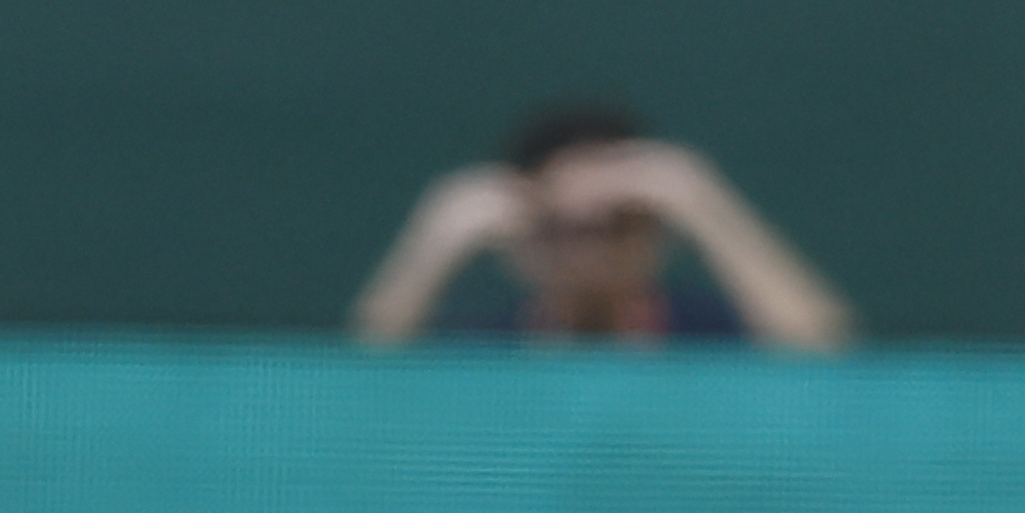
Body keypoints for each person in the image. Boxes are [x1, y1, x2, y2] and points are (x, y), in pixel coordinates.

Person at [351, 104, 855, 344]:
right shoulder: (486, 351)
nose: (588, 252)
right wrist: (433, 244)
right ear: (517, 243)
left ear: (657, 234)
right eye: (559, 229)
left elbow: (823, 356)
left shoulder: (709, 337)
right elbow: (359, 398)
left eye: (616, 225)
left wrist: (707, 207)